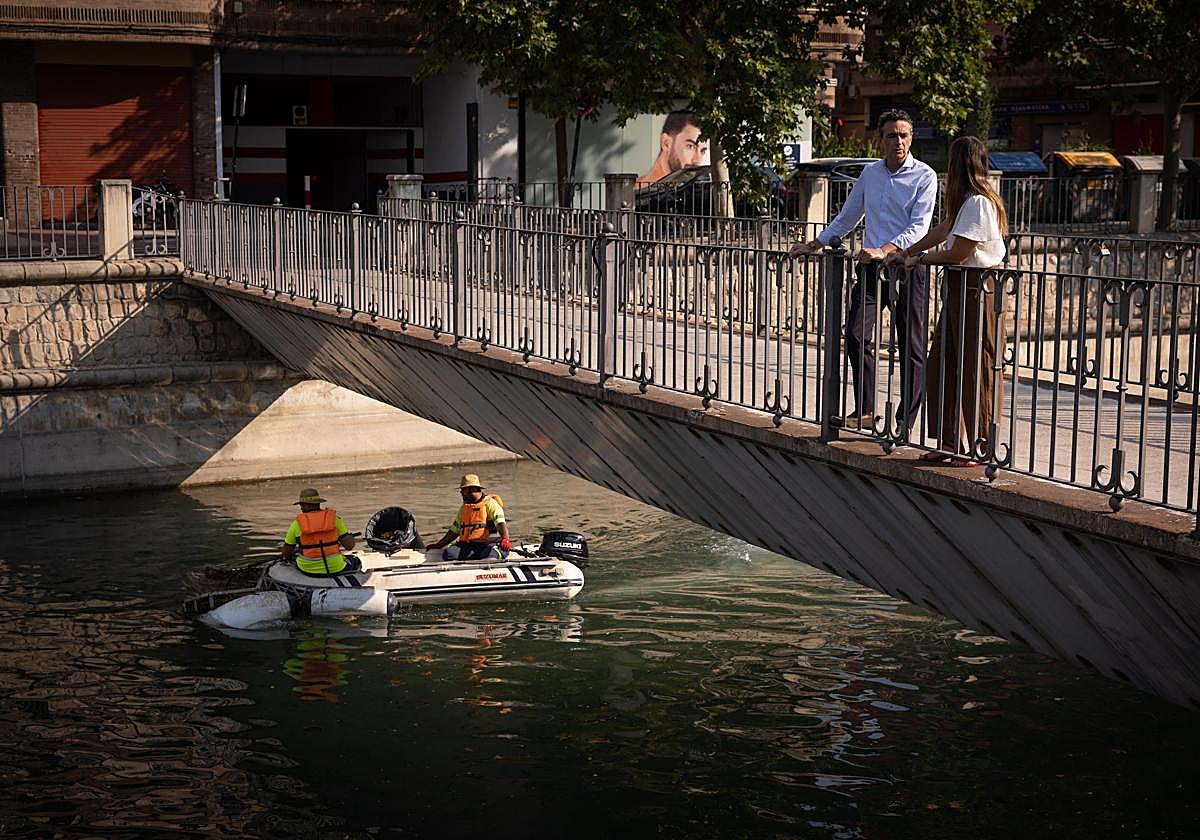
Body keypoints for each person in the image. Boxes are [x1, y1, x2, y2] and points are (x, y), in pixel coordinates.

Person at [788, 109, 938, 434]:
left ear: (911, 138)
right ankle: (866, 410)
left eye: (904, 135)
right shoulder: (871, 174)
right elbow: (848, 217)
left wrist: (886, 250)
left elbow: (919, 227)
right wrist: (814, 244)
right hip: (872, 268)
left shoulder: (925, 176)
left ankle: (905, 421)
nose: (898, 141)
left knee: (911, 345)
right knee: (856, 334)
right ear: (880, 140)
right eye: (891, 135)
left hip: (907, 266)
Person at [885, 135, 1008, 465]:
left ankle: (980, 445)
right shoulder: (966, 202)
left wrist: (919, 259)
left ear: (958, 165)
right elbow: (943, 231)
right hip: (959, 287)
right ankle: (950, 442)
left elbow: (959, 253)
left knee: (976, 366)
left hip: (977, 289)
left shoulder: (980, 202)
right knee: (942, 363)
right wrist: (906, 252)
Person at [426, 474, 512, 562]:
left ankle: (491, 557)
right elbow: (454, 531)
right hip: (469, 545)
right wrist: (439, 545)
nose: (461, 492)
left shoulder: (491, 504)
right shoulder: (464, 508)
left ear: (472, 489)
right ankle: (474, 557)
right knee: (449, 554)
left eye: (463, 490)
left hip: (490, 544)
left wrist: (505, 539)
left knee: (489, 557)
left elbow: (500, 523)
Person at [281, 488, 359, 576]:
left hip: (307, 570)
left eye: (302, 505)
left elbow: (287, 552)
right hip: (336, 568)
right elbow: (349, 546)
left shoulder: (296, 524)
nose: (301, 508)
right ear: (318, 503)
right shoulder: (335, 520)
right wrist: (351, 538)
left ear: (307, 505)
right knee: (355, 560)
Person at [638, 111, 708, 187]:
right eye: (690, 146)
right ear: (666, 143)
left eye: (703, 151)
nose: (697, 160)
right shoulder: (636, 189)